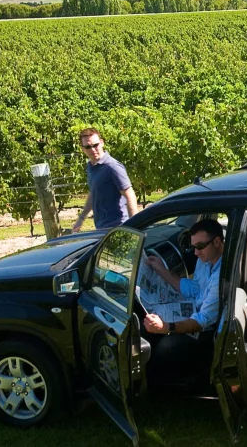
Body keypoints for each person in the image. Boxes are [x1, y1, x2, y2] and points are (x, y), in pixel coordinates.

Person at [140, 219, 224, 381]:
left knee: (167, 346)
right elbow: (194, 289)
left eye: (200, 247)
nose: (196, 253)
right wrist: (162, 270)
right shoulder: (204, 260)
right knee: (146, 326)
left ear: (217, 241)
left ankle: (164, 385)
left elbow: (204, 320)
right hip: (195, 311)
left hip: (211, 329)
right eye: (193, 247)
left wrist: (167, 327)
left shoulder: (222, 274)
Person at [70, 128, 138, 233]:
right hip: (102, 228)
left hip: (118, 228)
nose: (92, 149)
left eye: (95, 145)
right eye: (88, 147)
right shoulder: (91, 167)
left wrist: (134, 228)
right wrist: (81, 218)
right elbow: (94, 193)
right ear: (83, 149)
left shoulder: (112, 167)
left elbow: (130, 195)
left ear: (102, 143)